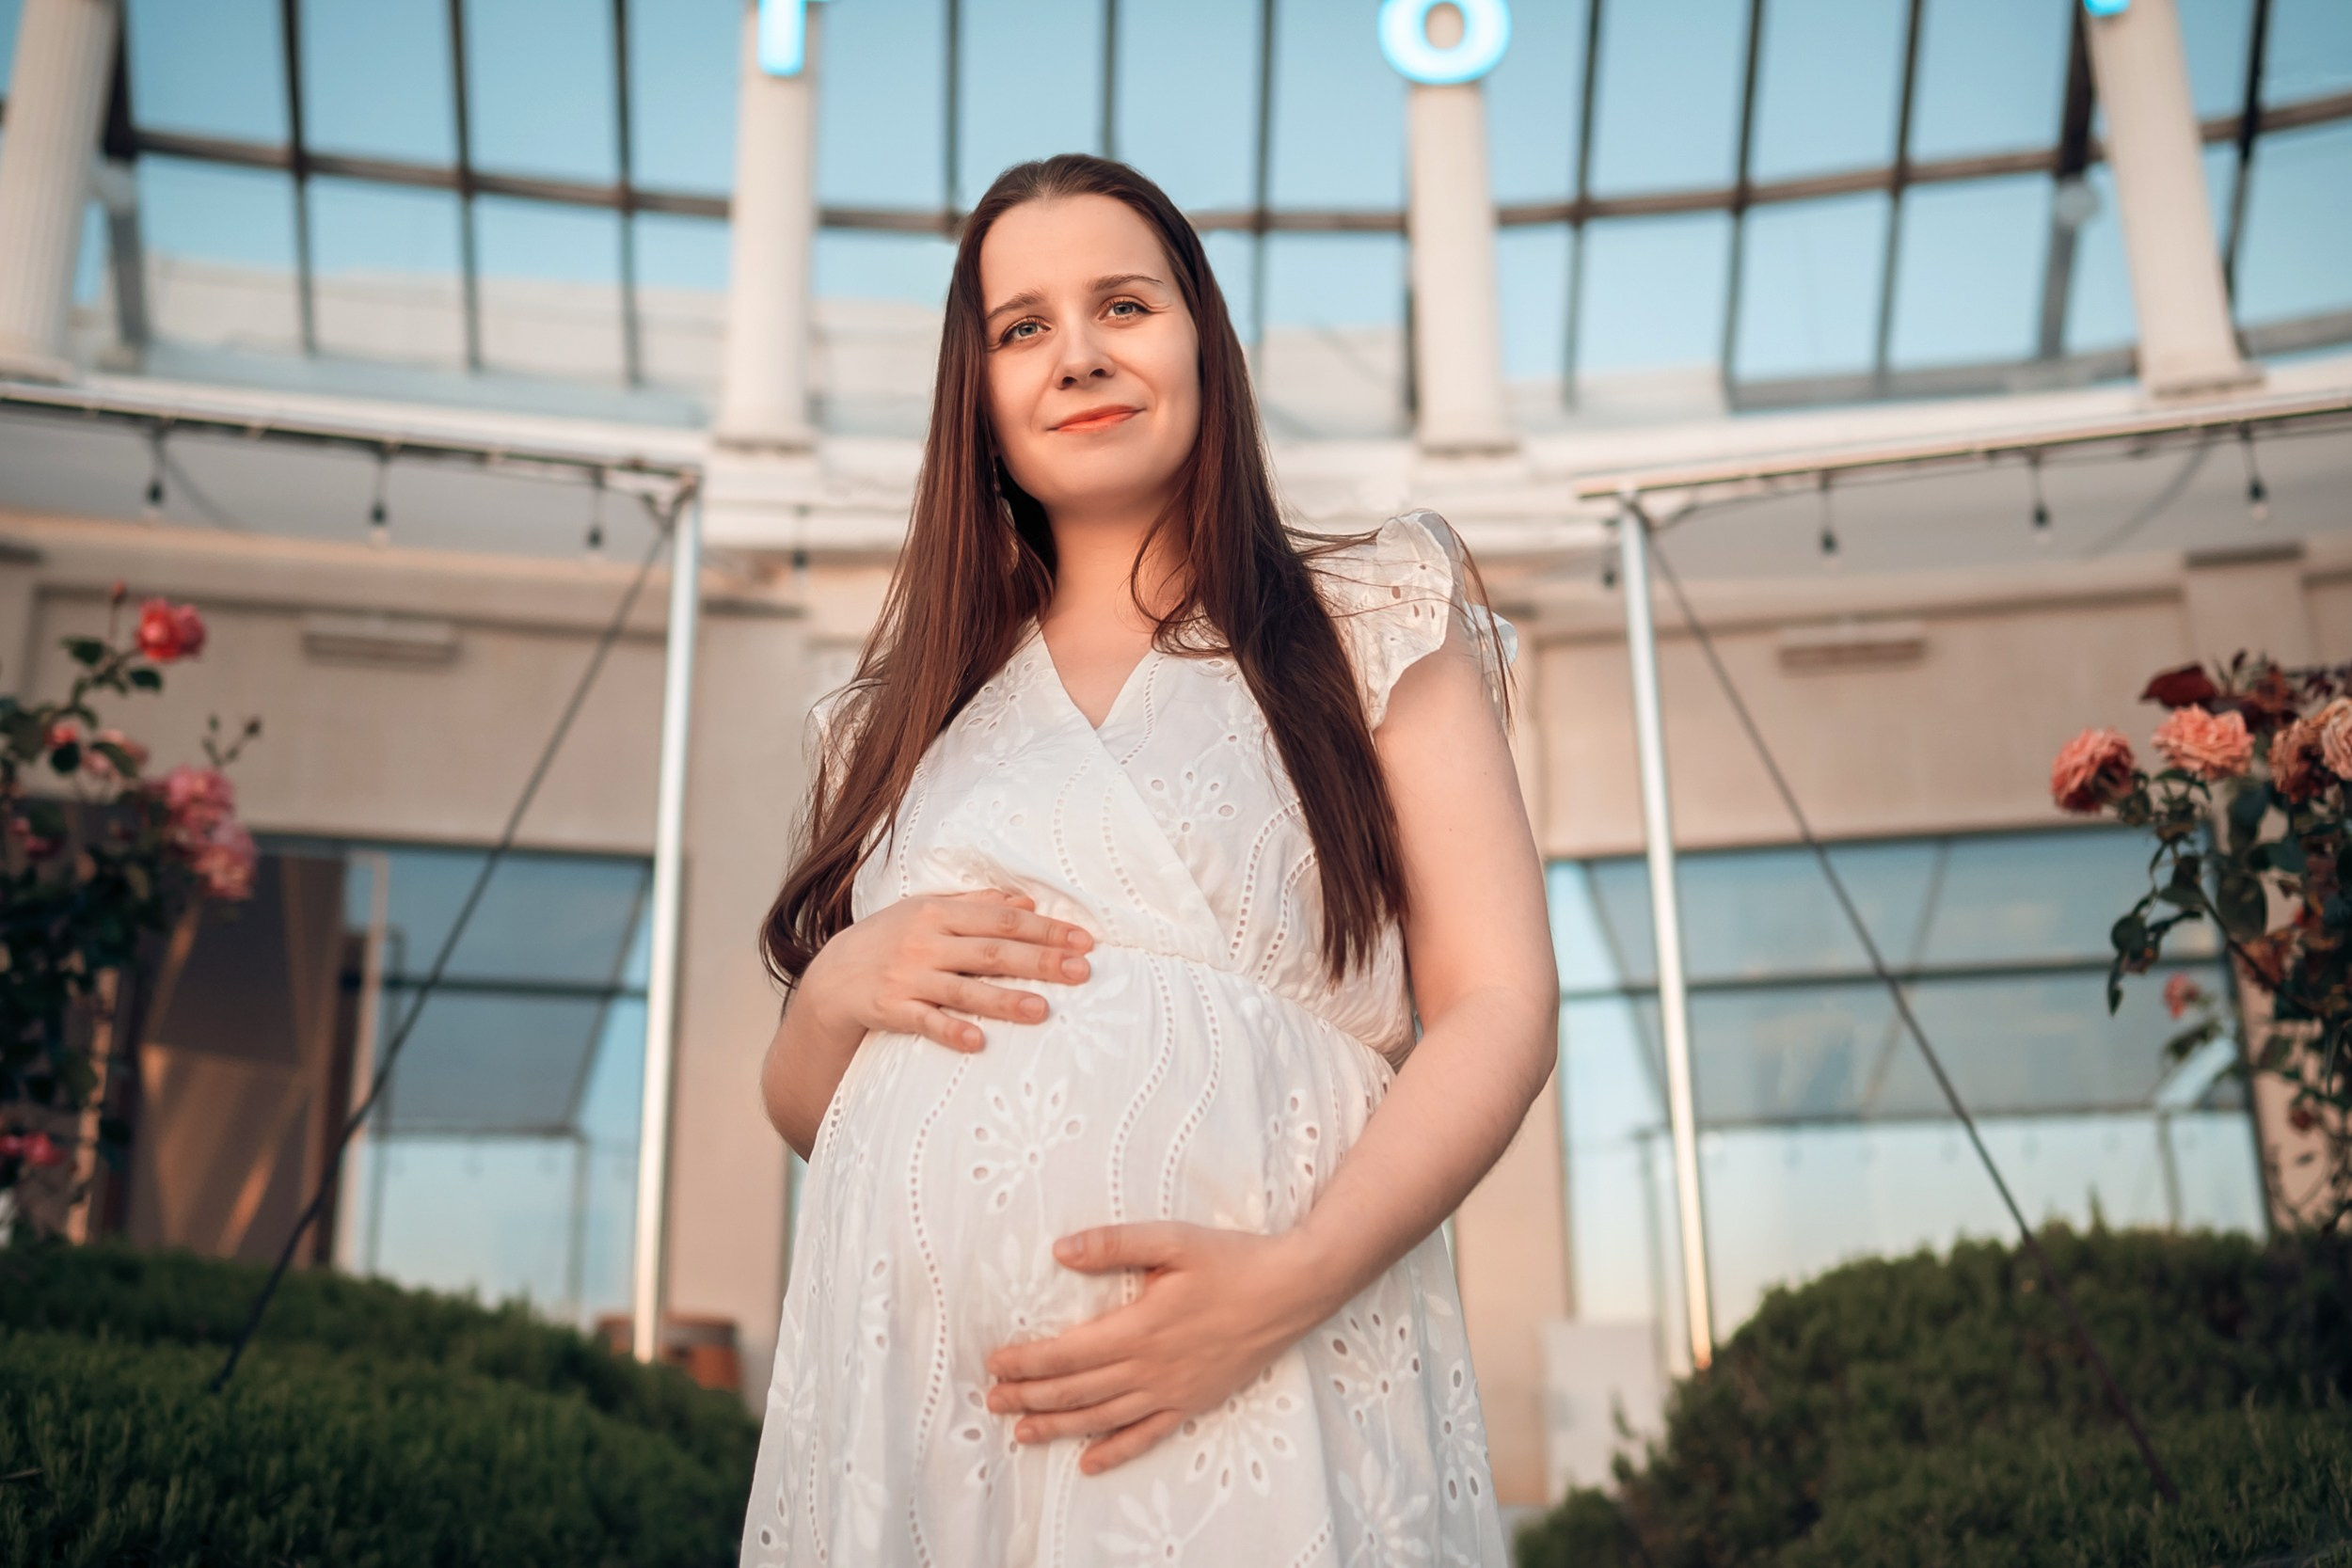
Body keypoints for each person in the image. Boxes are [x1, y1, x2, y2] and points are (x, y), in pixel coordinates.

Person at [741, 152, 1557, 1567]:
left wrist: (1280, 1288)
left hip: (1265, 1354)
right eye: (1022, 328)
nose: (1078, 356)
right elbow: (820, 1115)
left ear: (1202, 341)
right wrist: (835, 993)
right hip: (928, 1412)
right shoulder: (892, 717)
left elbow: (1500, 1006)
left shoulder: (1373, 616)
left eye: (1124, 305)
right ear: (977, 397)